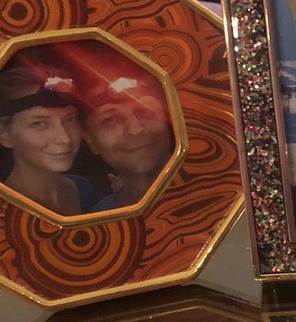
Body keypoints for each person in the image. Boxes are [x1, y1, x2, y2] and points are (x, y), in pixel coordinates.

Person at [0, 65, 95, 215]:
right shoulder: (6, 211)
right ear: (4, 135)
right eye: (39, 123)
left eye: (70, 119)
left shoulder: (83, 189)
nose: (65, 139)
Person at [81, 75, 173, 211]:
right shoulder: (103, 216)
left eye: (145, 111)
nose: (135, 130)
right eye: (110, 120)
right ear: (91, 142)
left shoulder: (208, 187)